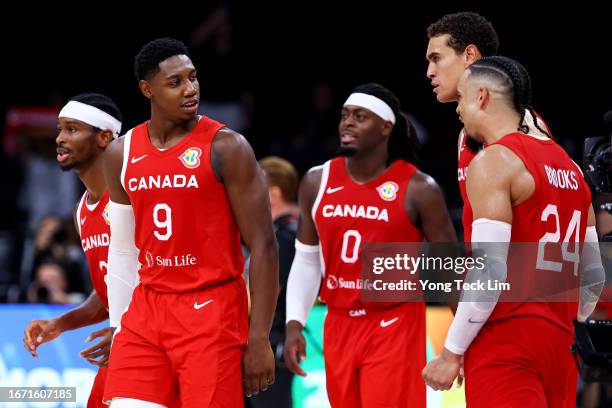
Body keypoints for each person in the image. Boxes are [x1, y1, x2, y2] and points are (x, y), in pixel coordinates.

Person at [102, 38, 278, 408]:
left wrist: (259, 337)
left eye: (193, 78)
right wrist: (119, 325)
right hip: (148, 310)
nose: (190, 89)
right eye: (176, 82)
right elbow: (120, 248)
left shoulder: (227, 147)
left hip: (212, 310)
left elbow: (263, 245)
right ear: (147, 89)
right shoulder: (121, 152)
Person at [422, 56, 605, 407]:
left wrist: (451, 352)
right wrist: (564, 324)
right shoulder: (573, 170)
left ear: (482, 97)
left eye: (461, 98)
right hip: (560, 347)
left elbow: (489, 272)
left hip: (506, 344)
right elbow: (594, 277)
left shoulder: (493, 161)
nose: (457, 109)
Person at [284, 83, 458, 407]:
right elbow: (307, 260)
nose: (347, 123)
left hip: (393, 322)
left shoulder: (419, 188)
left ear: (385, 128)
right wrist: (295, 321)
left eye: (359, 117)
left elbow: (449, 269)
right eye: (345, 115)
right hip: (338, 322)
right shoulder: (316, 180)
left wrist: (459, 346)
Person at [23, 93, 123, 407]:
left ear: (105, 137)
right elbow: (109, 293)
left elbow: (161, 278)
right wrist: (61, 324)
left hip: (154, 344)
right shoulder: (81, 211)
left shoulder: (132, 196)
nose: (59, 139)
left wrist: (125, 331)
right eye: (60, 129)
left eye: (72, 130)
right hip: (124, 342)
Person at [425, 11, 550, 242]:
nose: (429, 72)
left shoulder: (524, 126)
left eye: (436, 58)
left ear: (469, 55)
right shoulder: (467, 134)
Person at [247, 156, 299, 408]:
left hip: (274, 348)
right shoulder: (306, 229)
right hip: (292, 345)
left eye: (252, 189)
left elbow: (263, 295)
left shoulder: (282, 238)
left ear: (273, 194)